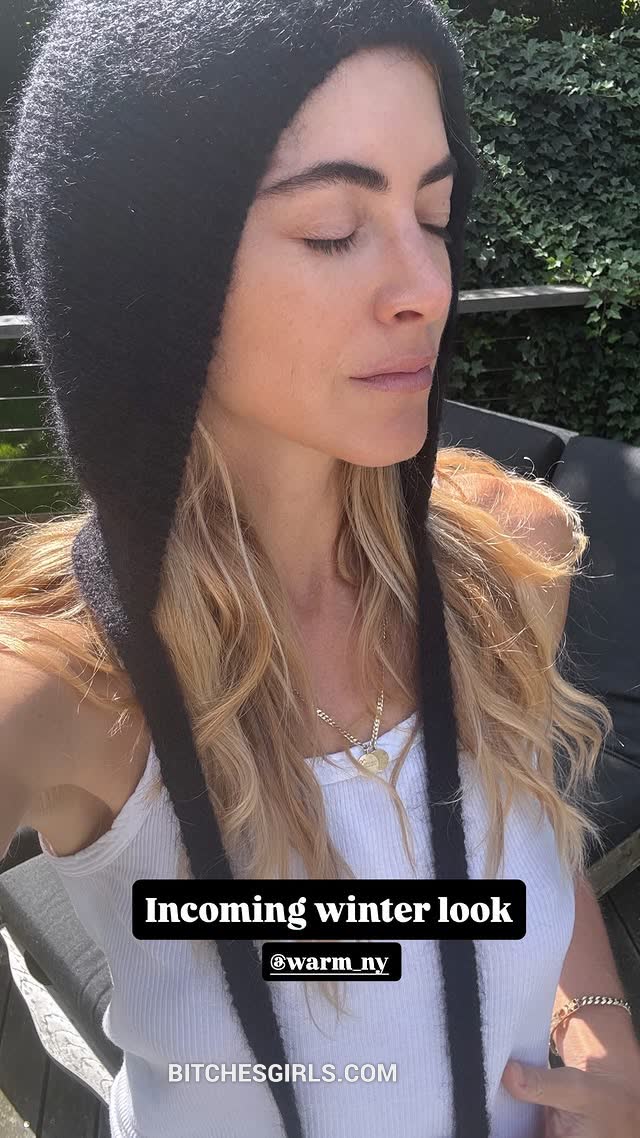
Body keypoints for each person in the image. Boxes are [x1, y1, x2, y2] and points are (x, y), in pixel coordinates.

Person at [0, 2, 638, 1137]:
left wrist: (603, 1029)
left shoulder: (505, 565)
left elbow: (523, 846)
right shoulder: (69, 683)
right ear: (145, 281)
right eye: (335, 229)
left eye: (434, 214)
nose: (426, 285)